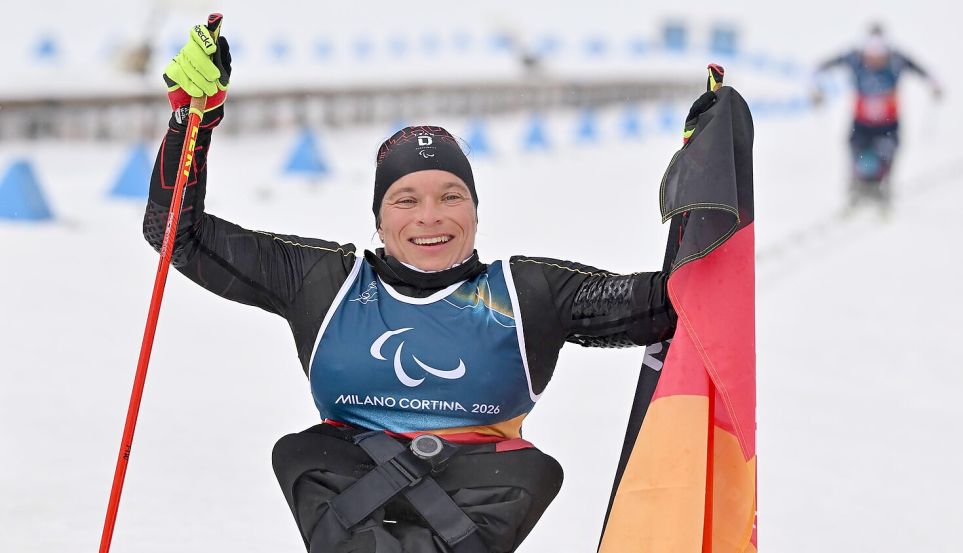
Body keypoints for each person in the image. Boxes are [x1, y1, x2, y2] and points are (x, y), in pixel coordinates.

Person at [146, 25, 676, 553]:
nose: (430, 217)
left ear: (474, 209)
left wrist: (706, 183)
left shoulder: (525, 292)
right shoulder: (326, 281)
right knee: (303, 453)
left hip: (473, 507)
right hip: (350, 490)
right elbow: (176, 232)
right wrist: (191, 122)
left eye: (450, 196)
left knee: (530, 472)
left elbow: (674, 302)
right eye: (405, 200)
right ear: (378, 218)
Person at [814, 23, 942, 211]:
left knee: (886, 155)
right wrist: (816, 90)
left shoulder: (897, 60)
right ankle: (856, 188)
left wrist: (935, 86)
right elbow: (819, 68)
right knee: (857, 154)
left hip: (888, 124)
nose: (874, 59)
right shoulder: (854, 58)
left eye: (879, 55)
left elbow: (924, 72)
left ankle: (883, 189)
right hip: (861, 123)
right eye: (871, 55)